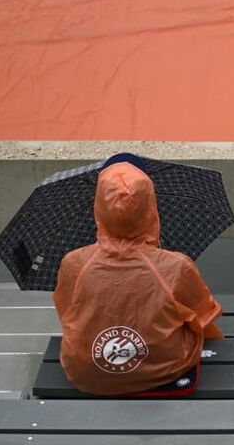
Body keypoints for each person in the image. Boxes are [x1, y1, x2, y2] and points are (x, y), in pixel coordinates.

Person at [53, 156, 222, 395]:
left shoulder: (74, 263)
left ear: (99, 206)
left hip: (86, 372)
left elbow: (67, 311)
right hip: (164, 371)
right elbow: (204, 315)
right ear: (150, 205)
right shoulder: (176, 266)